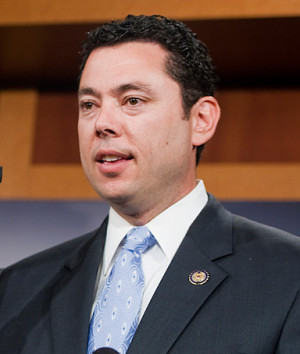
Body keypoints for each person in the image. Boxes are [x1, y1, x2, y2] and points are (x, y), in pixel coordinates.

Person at [0, 14, 299, 354]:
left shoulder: (288, 276)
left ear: (200, 120)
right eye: (89, 105)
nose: (103, 123)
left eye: (132, 101)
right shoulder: (19, 287)